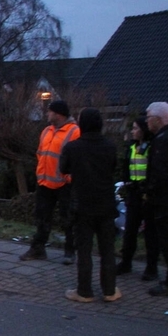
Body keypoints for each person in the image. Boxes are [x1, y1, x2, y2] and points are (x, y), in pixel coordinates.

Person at [59, 108, 119, 302]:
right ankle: (109, 290)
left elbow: (63, 168)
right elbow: (113, 167)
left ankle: (84, 291)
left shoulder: (73, 147)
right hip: (106, 203)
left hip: (82, 205)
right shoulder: (110, 146)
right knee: (107, 249)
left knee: (84, 249)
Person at [20, 100, 80, 264]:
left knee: (68, 218)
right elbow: (41, 153)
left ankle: (70, 251)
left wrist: (68, 177)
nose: (47, 114)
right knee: (42, 216)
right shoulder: (46, 131)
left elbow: (76, 159)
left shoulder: (74, 132)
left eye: (49, 111)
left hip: (64, 184)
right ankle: (38, 248)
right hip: (45, 182)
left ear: (58, 114)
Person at [144, 101, 168, 296]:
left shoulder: (161, 141)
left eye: (149, 117)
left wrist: (149, 192)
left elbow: (159, 172)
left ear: (158, 120)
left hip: (166, 200)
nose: (147, 121)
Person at [117, 116, 160, 281]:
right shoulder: (132, 147)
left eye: (135, 128)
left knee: (151, 233)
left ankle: (151, 268)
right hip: (134, 193)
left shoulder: (151, 147)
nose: (133, 131)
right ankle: (126, 262)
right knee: (130, 230)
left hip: (148, 194)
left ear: (143, 130)